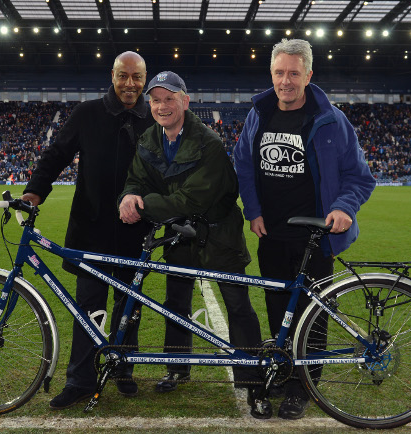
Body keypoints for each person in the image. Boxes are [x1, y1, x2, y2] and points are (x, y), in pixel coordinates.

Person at [233, 39, 376, 420]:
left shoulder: (332, 119)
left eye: (293, 73)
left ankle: (303, 385)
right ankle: (283, 371)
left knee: (313, 317)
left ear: (308, 75)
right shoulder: (258, 114)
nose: (285, 81)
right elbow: (244, 164)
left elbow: (360, 177)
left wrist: (344, 207)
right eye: (279, 73)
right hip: (272, 233)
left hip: (316, 237)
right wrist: (254, 210)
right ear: (272, 75)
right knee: (279, 310)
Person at [118, 71, 267, 417]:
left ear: (185, 102)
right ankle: (177, 367)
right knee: (176, 303)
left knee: (239, 308)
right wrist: (128, 195)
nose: (162, 106)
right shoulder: (149, 138)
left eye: (169, 98)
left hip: (218, 235)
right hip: (179, 235)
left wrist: (141, 205)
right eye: (155, 100)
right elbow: (135, 178)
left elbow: (190, 199)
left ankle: (253, 383)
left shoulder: (209, 144)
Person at [21, 51, 155, 410]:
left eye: (137, 77)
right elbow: (56, 154)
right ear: (112, 76)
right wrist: (35, 191)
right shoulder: (87, 113)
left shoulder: (154, 118)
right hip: (91, 228)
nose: (130, 84)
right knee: (88, 307)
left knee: (130, 305)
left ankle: (123, 367)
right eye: (123, 76)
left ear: (145, 79)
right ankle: (80, 379)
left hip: (135, 229)